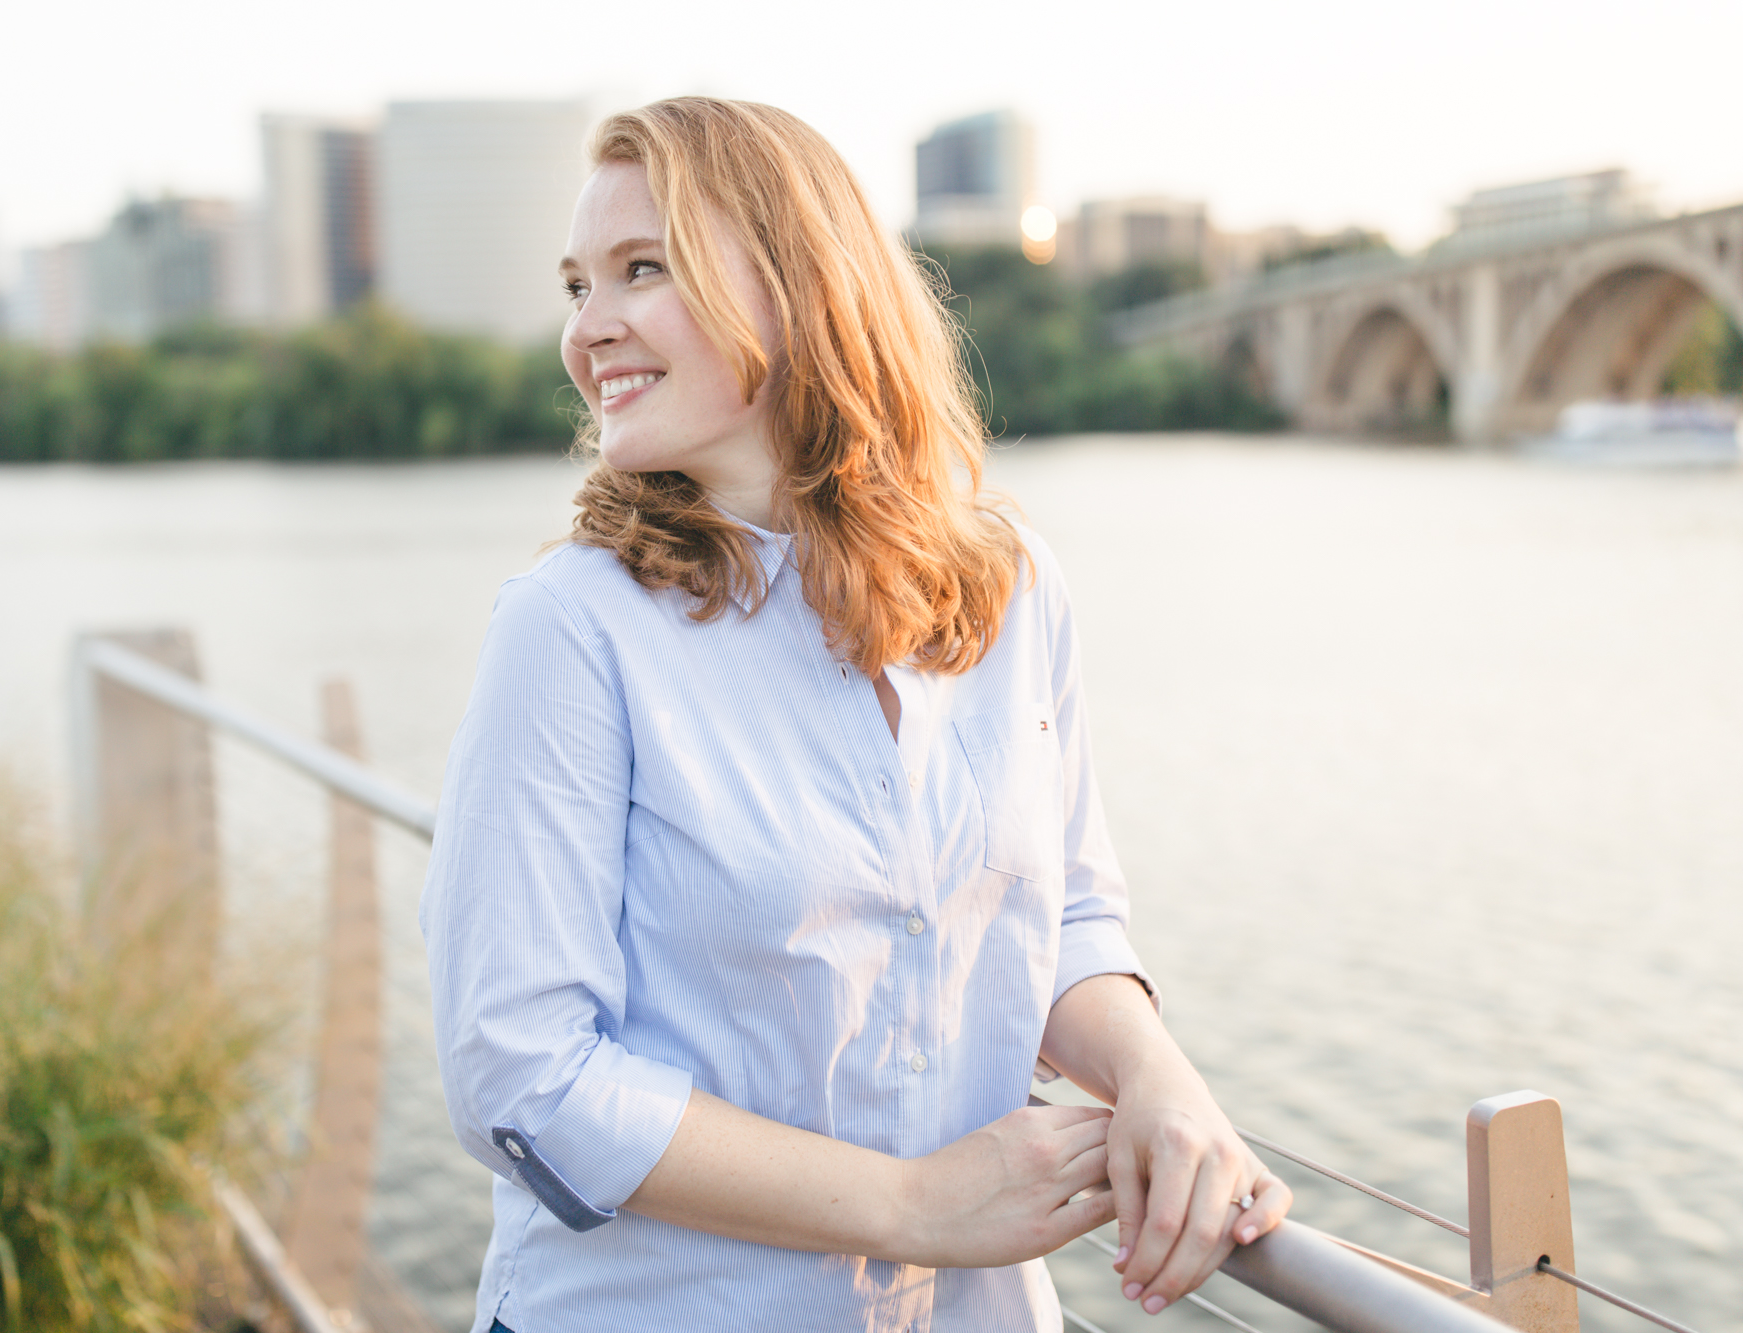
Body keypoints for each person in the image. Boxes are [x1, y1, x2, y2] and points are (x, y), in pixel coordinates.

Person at [419, 97, 1290, 1333]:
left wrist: (1160, 1081)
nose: (586, 327)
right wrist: (908, 1205)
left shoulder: (1009, 589)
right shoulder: (571, 630)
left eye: (641, 269)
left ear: (798, 282)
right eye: (576, 284)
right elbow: (519, 1074)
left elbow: (1067, 919)